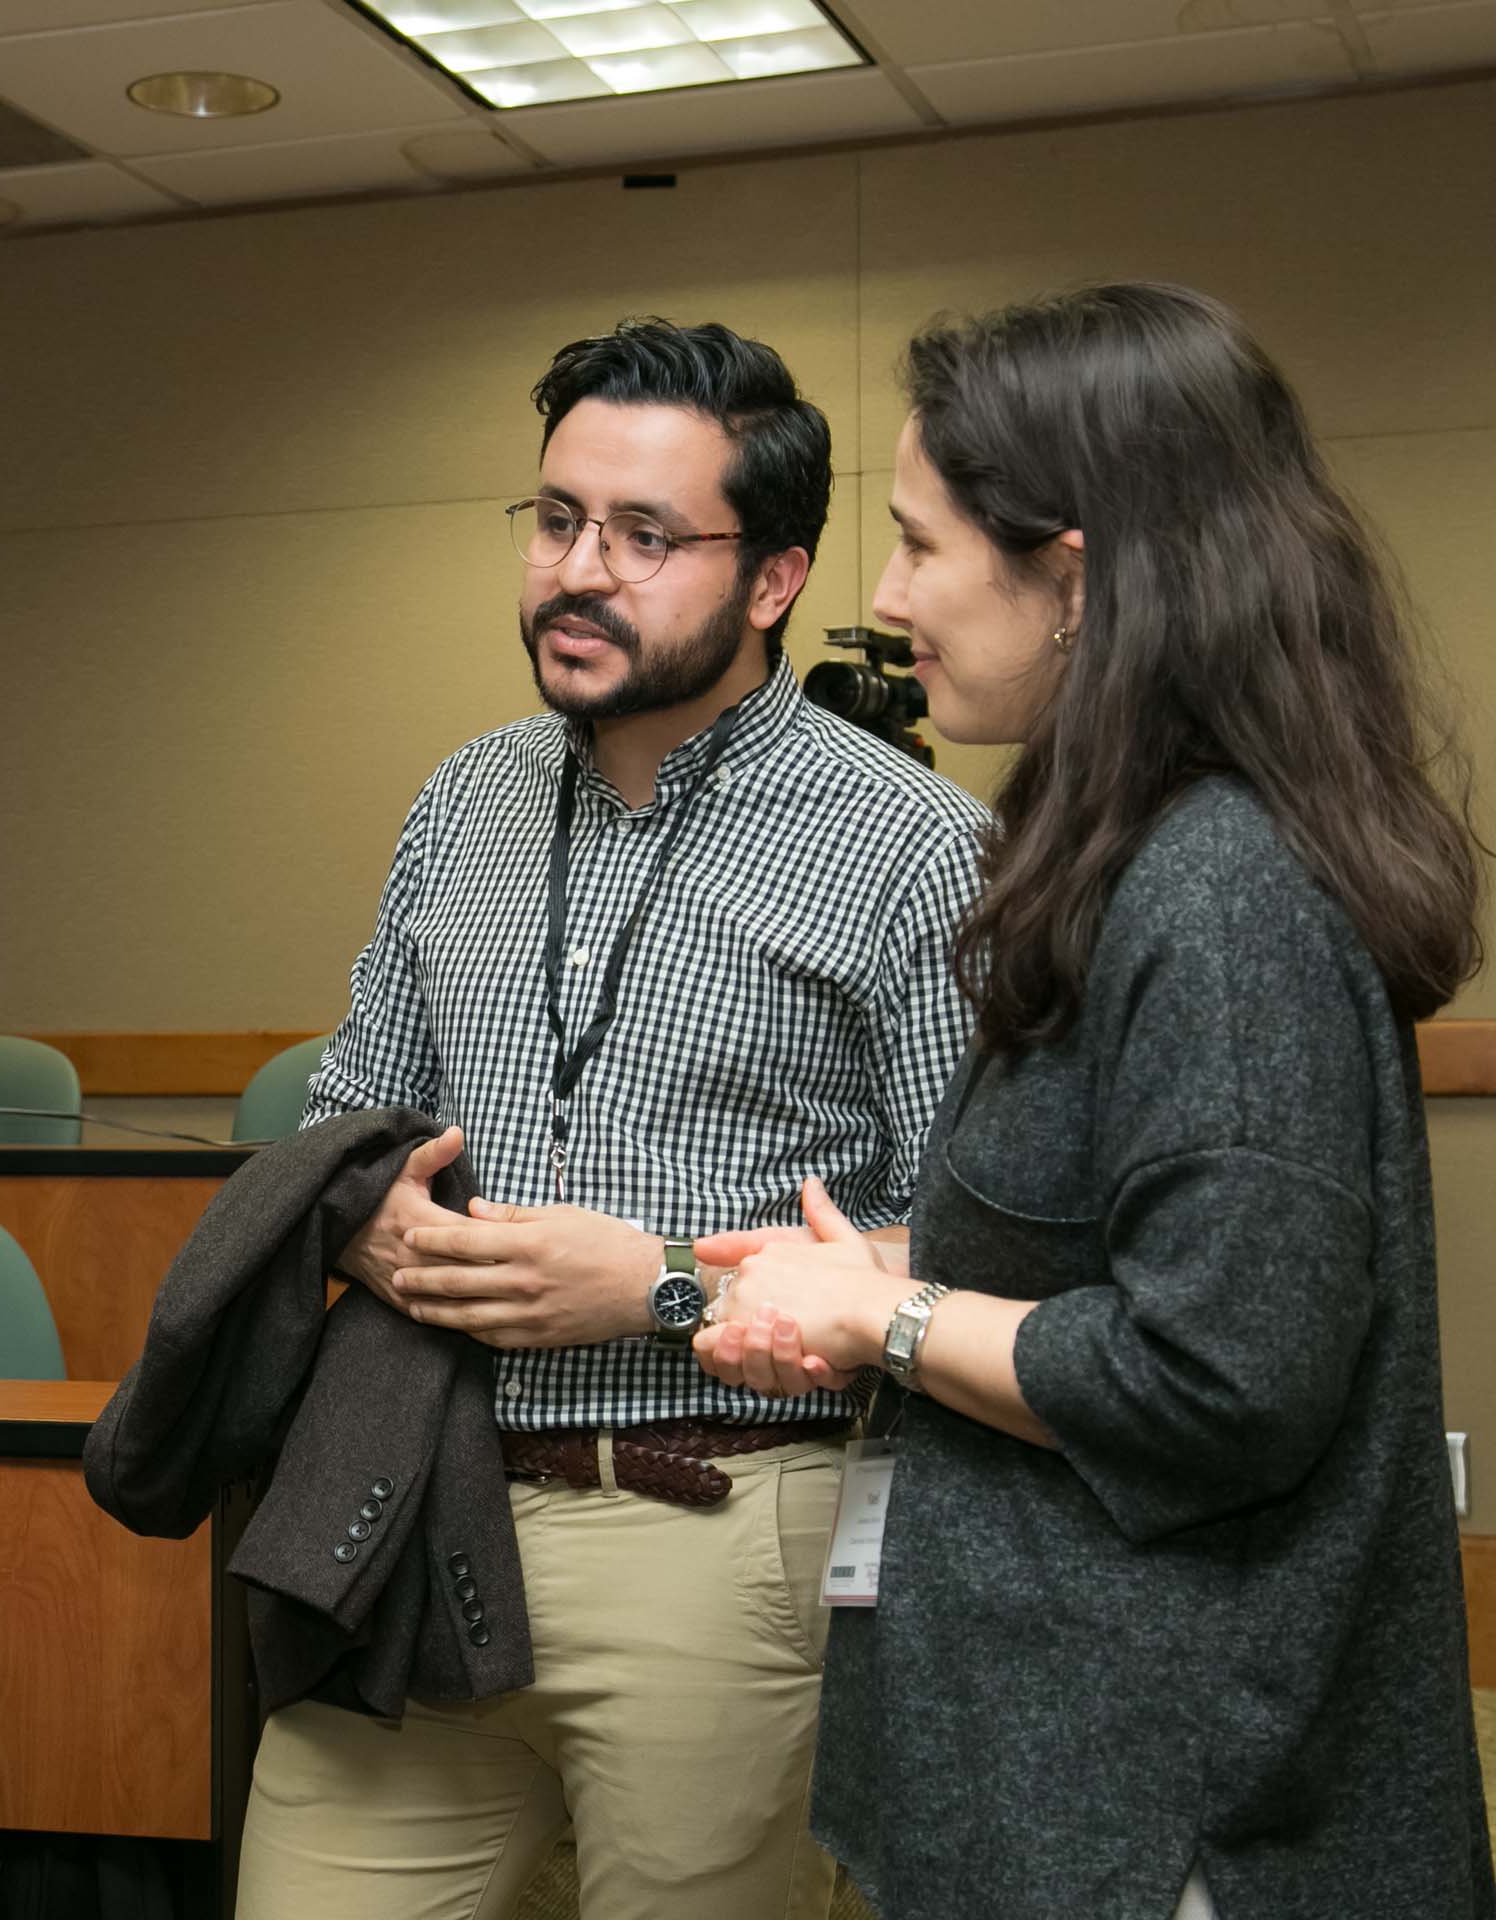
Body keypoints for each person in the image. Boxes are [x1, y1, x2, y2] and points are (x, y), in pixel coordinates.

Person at [691, 283, 1492, 1920]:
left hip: (1172, 1813)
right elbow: (1128, 1255)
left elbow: (1220, 1375)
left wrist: (887, 1321)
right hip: (1094, 1772)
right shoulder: (1142, 858)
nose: (886, 593)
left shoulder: (1221, 895)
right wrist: (857, 1282)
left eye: (919, 543)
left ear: (1074, 575)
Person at [234, 320, 991, 1920]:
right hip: (417, 1502)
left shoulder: (918, 851)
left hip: (724, 1531)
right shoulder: (464, 798)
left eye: (646, 538)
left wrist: (653, 1282)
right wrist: (363, 1206)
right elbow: (352, 1109)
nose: (579, 570)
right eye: (558, 519)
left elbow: (978, 1261)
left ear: (773, 578)